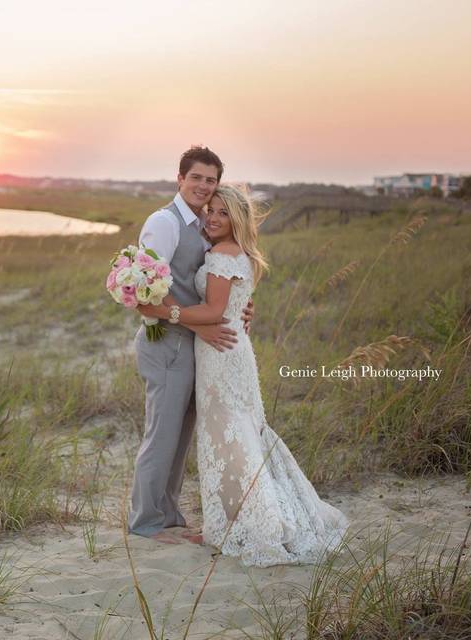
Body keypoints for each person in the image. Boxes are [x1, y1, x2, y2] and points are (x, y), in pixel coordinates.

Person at [138, 184, 349, 565]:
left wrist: (162, 312)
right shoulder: (237, 253)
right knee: (237, 434)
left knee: (228, 437)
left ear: (237, 220)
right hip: (228, 350)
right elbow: (229, 307)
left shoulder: (221, 254)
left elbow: (216, 312)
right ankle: (232, 520)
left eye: (223, 213)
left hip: (220, 352)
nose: (214, 218)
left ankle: (244, 523)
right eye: (212, 211)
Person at [128, 146, 252, 545]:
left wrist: (236, 311)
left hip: (196, 345)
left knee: (180, 438)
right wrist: (200, 324)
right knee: (162, 434)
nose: (203, 186)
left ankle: (168, 513)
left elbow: (213, 285)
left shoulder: (204, 224)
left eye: (211, 180)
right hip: (167, 343)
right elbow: (146, 294)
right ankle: (146, 522)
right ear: (180, 178)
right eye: (196, 177)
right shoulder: (164, 223)